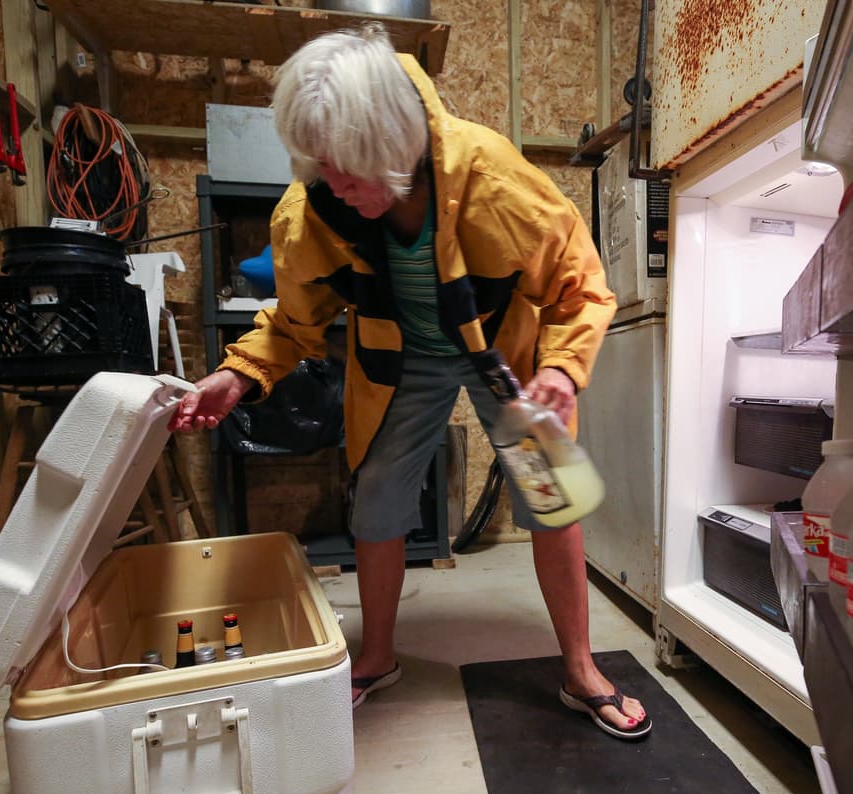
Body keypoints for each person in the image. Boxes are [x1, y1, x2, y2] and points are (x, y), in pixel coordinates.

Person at [171, 25, 649, 739]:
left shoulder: (497, 182)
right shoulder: (311, 212)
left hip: (502, 354)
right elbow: (294, 323)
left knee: (552, 499)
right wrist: (236, 377)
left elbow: (581, 288)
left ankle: (581, 670)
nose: (335, 187)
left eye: (349, 172)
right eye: (320, 169)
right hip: (402, 361)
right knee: (377, 502)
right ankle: (378, 656)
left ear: (395, 145)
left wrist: (560, 367)